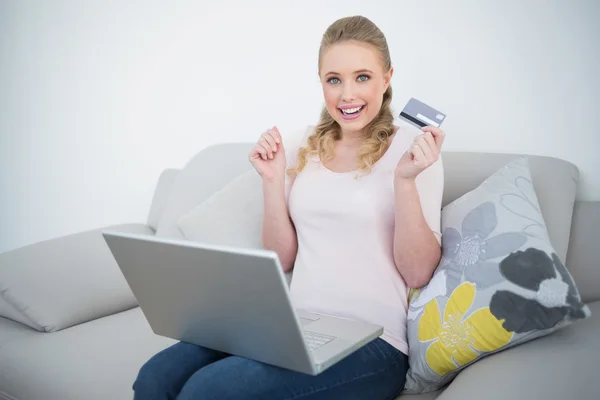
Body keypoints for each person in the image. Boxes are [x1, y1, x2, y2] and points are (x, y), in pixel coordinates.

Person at [132, 15, 445, 400]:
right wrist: (271, 180)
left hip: (374, 343)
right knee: (156, 376)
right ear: (321, 81)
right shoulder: (303, 145)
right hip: (292, 327)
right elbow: (280, 257)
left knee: (209, 389)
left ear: (387, 77)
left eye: (362, 77)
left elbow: (417, 272)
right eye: (334, 80)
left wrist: (405, 180)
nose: (347, 94)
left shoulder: (414, 151)